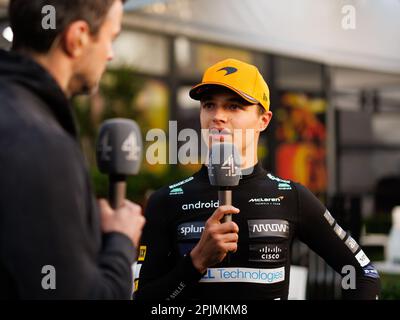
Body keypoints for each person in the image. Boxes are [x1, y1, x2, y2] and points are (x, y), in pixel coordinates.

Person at [134, 58, 380, 300]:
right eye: (209, 105)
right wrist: (196, 261)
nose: (217, 116)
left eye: (233, 106)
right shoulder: (166, 200)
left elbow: (363, 273)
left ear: (263, 120)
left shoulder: (290, 196)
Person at [0, 0, 145, 299]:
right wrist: (120, 240)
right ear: (77, 38)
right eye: (110, 38)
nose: (110, 54)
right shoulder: (41, 143)